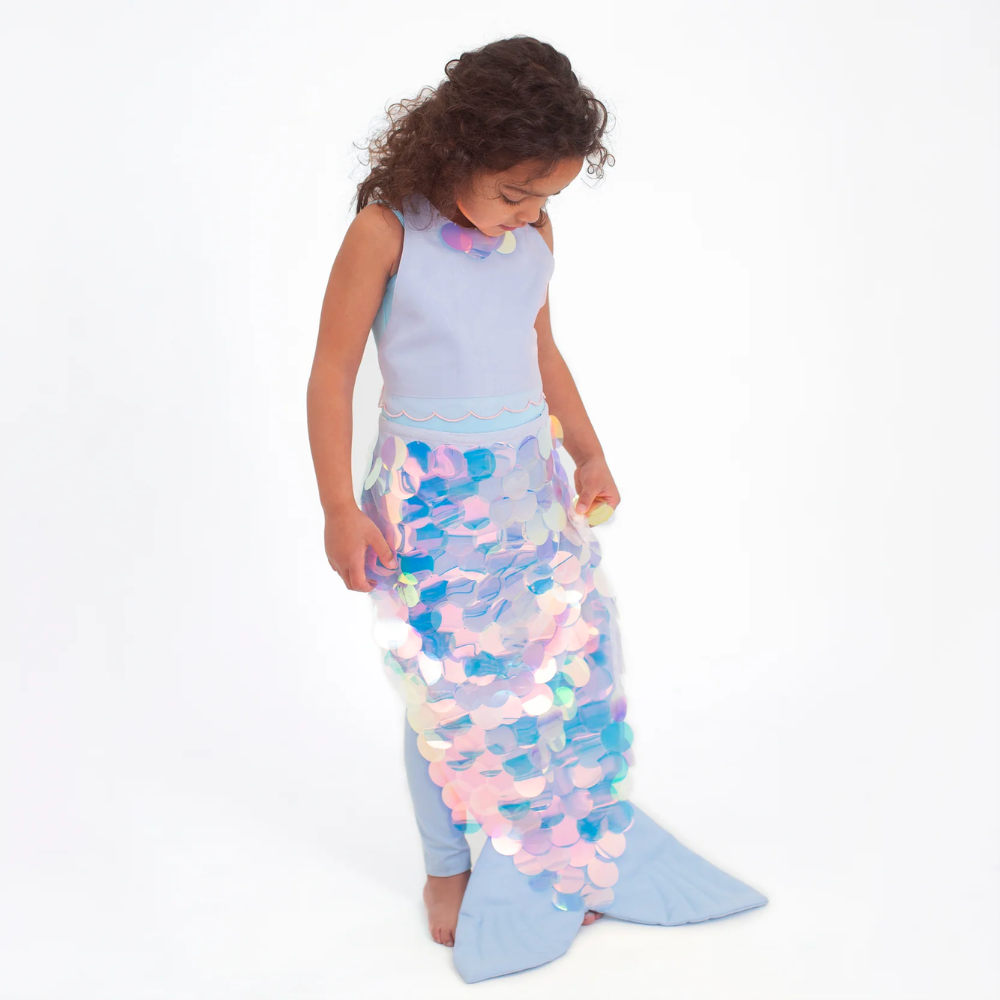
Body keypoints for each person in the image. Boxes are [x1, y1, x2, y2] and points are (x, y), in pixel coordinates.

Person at [307, 35, 768, 984]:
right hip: (433, 501)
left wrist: (587, 450)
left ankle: (558, 846)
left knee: (559, 669)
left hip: (527, 488)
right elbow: (331, 373)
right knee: (447, 687)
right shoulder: (386, 233)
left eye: (546, 196)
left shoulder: (535, 238)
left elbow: (540, 349)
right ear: (455, 150)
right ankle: (448, 863)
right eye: (515, 192)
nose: (529, 213)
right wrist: (338, 508)